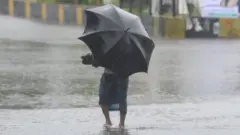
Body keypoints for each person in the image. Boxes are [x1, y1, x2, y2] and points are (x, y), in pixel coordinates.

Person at [81, 53, 129, 129]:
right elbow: (102, 58)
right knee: (104, 97)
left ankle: (121, 123)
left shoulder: (126, 50)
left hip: (122, 76)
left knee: (121, 99)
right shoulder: (109, 47)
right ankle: (108, 121)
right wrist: (93, 60)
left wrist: (95, 61)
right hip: (109, 75)